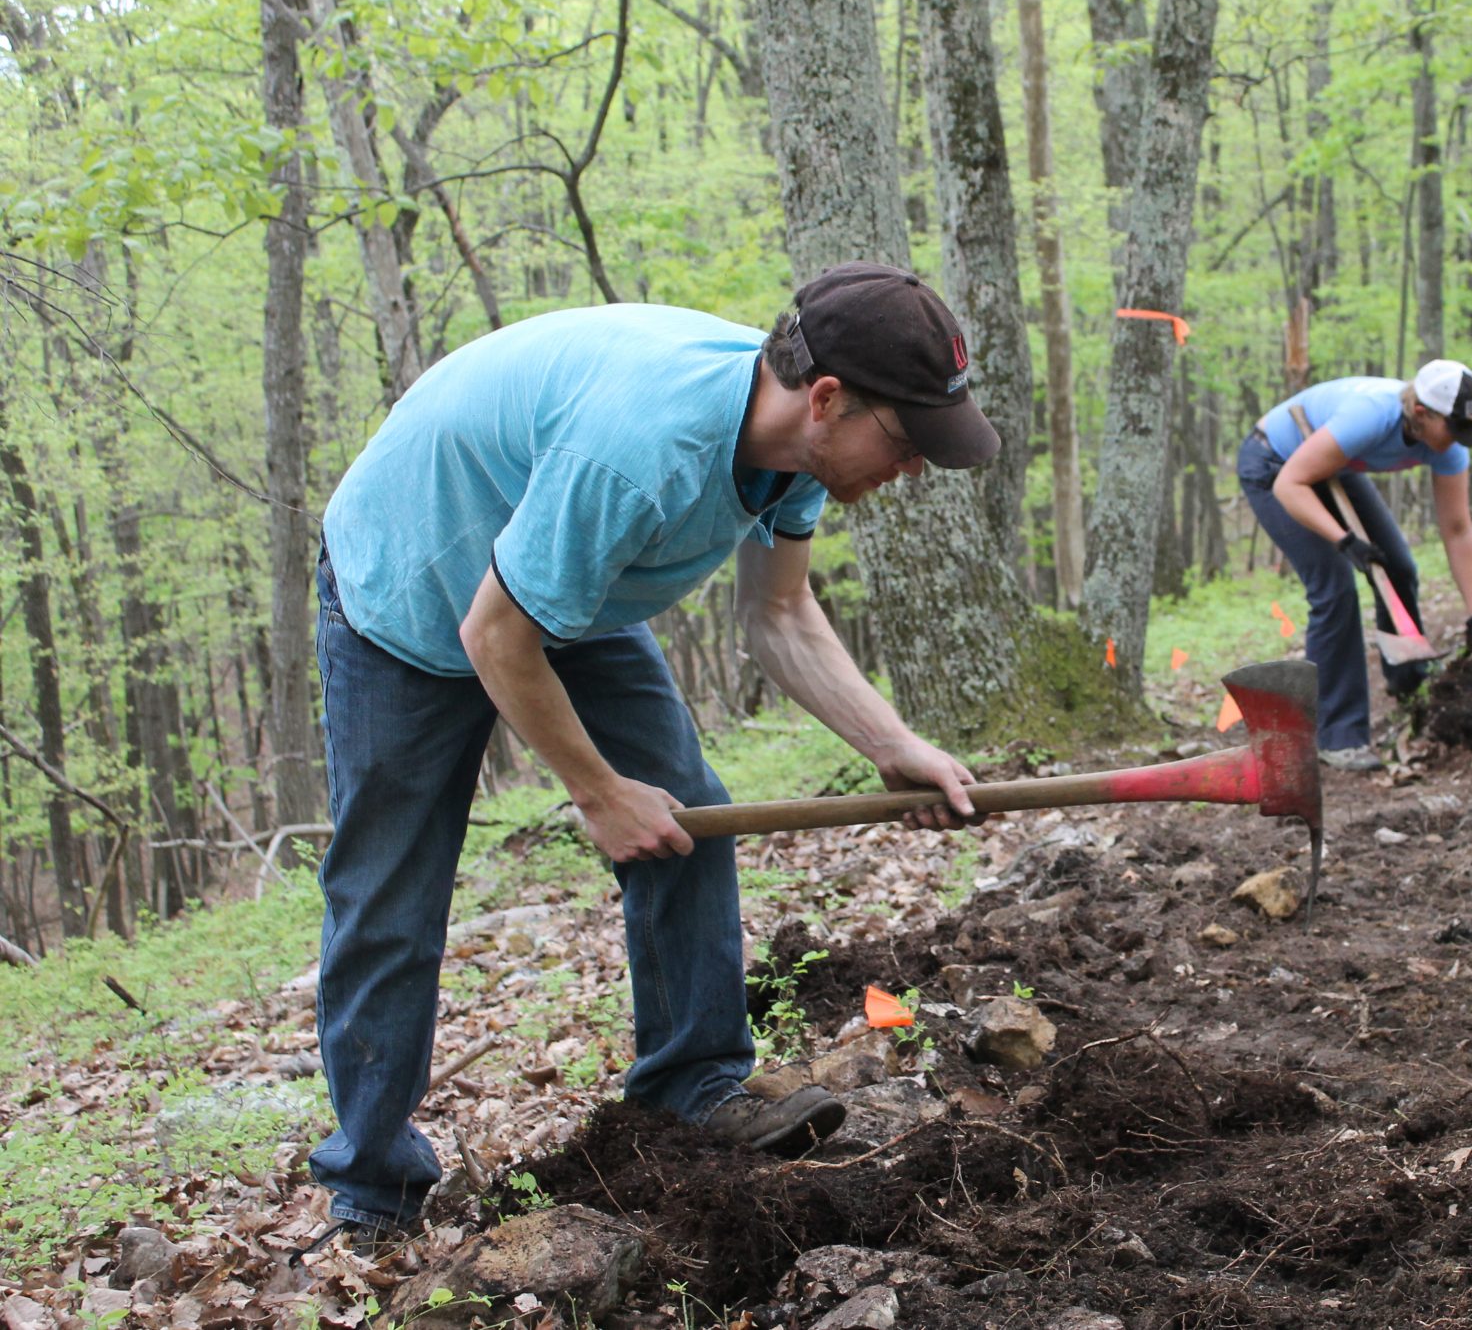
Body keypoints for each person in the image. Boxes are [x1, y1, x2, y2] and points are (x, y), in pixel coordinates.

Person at [306, 262, 997, 1244]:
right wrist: (596, 792)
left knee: (690, 816)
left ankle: (693, 1085)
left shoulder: (792, 451)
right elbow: (494, 637)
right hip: (409, 585)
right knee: (393, 895)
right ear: (828, 400)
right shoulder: (640, 454)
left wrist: (893, 745)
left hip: (558, 575)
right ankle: (372, 1187)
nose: (915, 466)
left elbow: (781, 611)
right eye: (906, 440)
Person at [1235, 360, 1472, 772]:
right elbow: (1290, 485)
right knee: (1335, 588)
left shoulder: (1448, 445)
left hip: (1330, 465)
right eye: (1452, 429)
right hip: (1275, 464)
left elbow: (1457, 529)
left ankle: (1409, 679)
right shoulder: (1370, 416)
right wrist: (1345, 541)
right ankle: (1338, 736)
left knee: (1398, 566)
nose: (1458, 441)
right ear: (1421, 412)